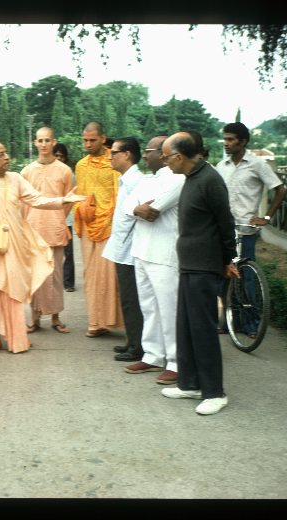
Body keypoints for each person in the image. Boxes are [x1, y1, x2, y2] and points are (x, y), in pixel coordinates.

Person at [0, 141, 85, 355]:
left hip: (13, 246)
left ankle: (17, 336)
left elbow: (37, 200)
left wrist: (63, 200)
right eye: (2, 154)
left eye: (7, 152)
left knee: (13, 292)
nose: (8, 157)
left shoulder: (16, 179)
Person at [159, 132, 238, 416]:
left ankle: (215, 392)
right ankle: (190, 383)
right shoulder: (191, 178)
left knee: (203, 329)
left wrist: (229, 259)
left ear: (179, 157)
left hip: (205, 266)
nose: (165, 162)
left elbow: (226, 224)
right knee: (186, 326)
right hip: (189, 264)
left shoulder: (210, 180)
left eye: (167, 157)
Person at [122, 135, 185, 384]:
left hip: (164, 253)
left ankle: (176, 361)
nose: (145, 155)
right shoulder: (148, 180)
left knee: (169, 310)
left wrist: (140, 208)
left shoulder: (178, 179)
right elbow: (129, 206)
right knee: (149, 307)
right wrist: (137, 208)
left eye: (149, 151)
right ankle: (153, 354)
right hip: (142, 250)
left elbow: (156, 208)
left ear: (163, 153)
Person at [216, 122, 286, 335]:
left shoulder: (257, 164)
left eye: (230, 139)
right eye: (225, 139)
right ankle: (231, 322)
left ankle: (250, 324)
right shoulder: (221, 166)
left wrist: (266, 217)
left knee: (246, 279)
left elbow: (280, 189)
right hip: (224, 231)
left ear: (243, 141)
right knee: (222, 278)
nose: (226, 143)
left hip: (245, 231)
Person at [72, 122, 124, 338]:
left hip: (109, 225)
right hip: (88, 222)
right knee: (90, 275)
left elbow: (119, 195)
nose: (88, 144)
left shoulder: (114, 162)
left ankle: (109, 320)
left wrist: (112, 218)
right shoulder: (81, 165)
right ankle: (95, 322)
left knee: (108, 276)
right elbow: (80, 194)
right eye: (85, 140)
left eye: (92, 140)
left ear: (103, 138)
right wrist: (81, 208)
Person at [21, 127, 74, 334]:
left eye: (47, 140)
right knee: (35, 275)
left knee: (56, 275)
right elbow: (23, 201)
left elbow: (68, 200)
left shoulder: (64, 170)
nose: (43, 144)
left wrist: (59, 218)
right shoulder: (26, 171)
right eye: (40, 140)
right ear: (35, 143)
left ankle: (55, 317)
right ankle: (34, 319)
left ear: (54, 142)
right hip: (33, 229)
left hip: (55, 228)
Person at [101, 137, 145, 363]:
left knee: (132, 299)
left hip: (131, 249)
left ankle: (137, 347)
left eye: (114, 152)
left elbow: (134, 216)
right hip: (123, 247)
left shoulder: (137, 181)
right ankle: (133, 340)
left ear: (127, 154)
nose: (110, 156)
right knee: (127, 297)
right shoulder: (126, 180)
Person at [54, 142, 76, 292]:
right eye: (56, 155)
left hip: (66, 218)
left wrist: (64, 215)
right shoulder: (46, 172)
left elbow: (73, 196)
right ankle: (51, 281)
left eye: (62, 156)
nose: (59, 158)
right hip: (50, 218)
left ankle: (68, 283)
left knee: (68, 252)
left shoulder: (70, 174)